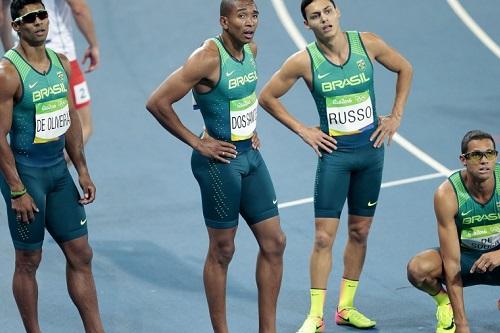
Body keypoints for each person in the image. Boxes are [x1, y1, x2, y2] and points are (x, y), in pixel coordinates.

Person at [258, 0, 413, 331]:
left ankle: (345, 307)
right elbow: (267, 97)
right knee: (324, 238)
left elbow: (405, 68)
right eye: (315, 16)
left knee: (360, 231)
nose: (324, 19)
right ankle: (315, 316)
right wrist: (302, 129)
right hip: (336, 157)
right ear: (306, 24)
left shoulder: (367, 43)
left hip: (371, 154)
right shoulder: (303, 61)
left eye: (328, 11)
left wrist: (395, 116)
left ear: (337, 12)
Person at [146, 1, 286, 332]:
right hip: (219, 163)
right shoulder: (206, 58)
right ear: (224, 21)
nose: (250, 22)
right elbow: (157, 102)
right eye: (242, 16)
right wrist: (197, 142)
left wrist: (249, 129)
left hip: (249, 156)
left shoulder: (251, 49)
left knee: (275, 242)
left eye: (254, 15)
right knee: (223, 250)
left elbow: (239, 99)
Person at [0, 0, 104, 332]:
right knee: (29, 261)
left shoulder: (60, 63)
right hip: (26, 175)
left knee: (81, 253)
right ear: (16, 26)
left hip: (58, 173)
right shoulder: (8, 74)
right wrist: (17, 189)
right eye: (30, 18)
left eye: (43, 15)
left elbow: (70, 117)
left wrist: (82, 169)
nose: (40, 22)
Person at [407, 130, 500, 333]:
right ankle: (444, 303)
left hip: (498, 256)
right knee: (419, 269)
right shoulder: (447, 195)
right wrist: (462, 325)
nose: (484, 160)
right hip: (466, 258)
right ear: (463, 160)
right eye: (476, 155)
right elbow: (451, 261)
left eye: (490, 154)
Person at [1, 0, 99, 145]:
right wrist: (93, 45)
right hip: (58, 57)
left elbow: (2, 13)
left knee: (35, 130)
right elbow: (79, 8)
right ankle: (55, 165)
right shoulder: (62, 62)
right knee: (84, 126)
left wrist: (12, 54)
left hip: (22, 60)